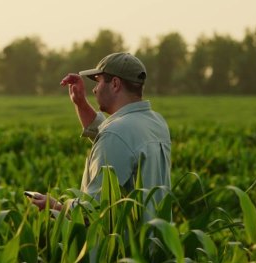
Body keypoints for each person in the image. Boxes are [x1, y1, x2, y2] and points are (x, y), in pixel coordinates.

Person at [29, 52, 171, 217]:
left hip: (125, 242)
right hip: (155, 238)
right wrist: (81, 103)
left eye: (99, 81)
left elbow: (92, 211)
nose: (95, 89)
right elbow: (118, 138)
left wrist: (55, 206)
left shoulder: (117, 134)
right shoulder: (156, 123)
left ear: (115, 84)